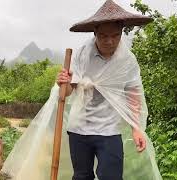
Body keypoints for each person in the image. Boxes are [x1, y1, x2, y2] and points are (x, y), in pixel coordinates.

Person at [56, 0, 153, 179]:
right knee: (82, 176)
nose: (109, 41)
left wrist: (136, 128)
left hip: (109, 130)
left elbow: (133, 94)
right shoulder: (82, 54)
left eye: (115, 36)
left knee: (111, 176)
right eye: (103, 36)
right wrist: (64, 82)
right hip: (80, 128)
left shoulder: (127, 60)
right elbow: (70, 90)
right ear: (95, 33)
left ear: (122, 31)